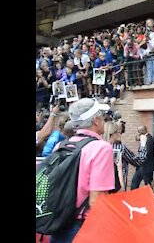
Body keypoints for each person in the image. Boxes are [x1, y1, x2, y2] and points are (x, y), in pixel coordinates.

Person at [50, 98, 114, 242]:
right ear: (96, 120)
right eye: (102, 116)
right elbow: (96, 200)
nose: (104, 120)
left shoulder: (61, 145)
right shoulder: (101, 148)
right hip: (82, 227)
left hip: (58, 222)